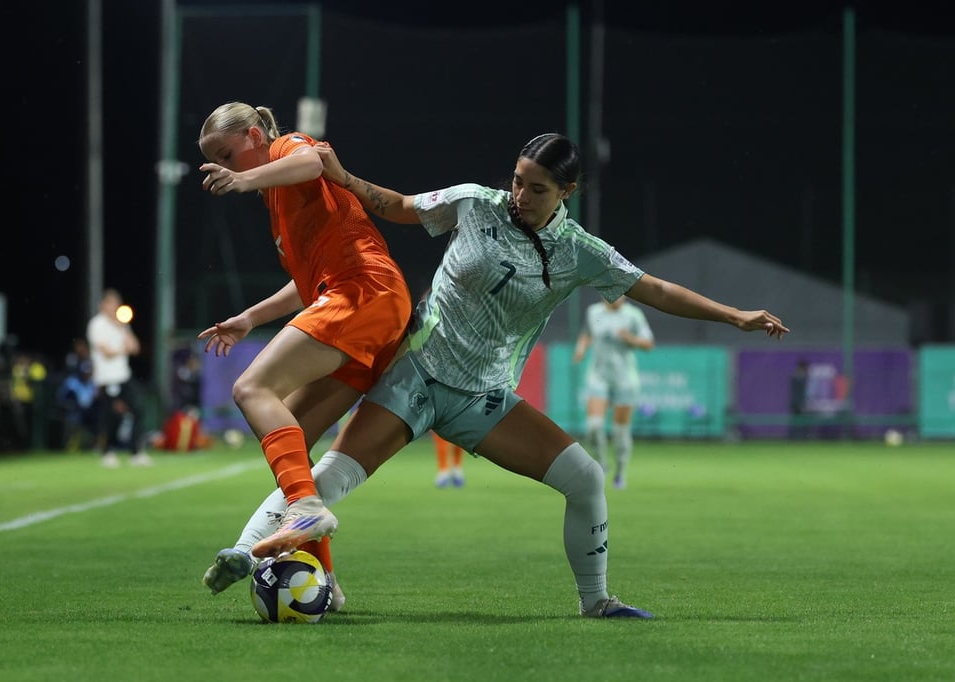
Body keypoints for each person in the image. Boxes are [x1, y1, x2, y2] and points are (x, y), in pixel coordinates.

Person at [240, 133, 788, 620]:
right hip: (416, 375)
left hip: (483, 399)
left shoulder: (580, 252)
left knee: (587, 479)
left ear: (567, 192)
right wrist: (344, 179)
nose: (521, 196)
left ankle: (596, 601)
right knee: (324, 483)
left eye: (538, 189)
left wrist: (734, 315)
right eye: (519, 181)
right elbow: (402, 207)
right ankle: (241, 553)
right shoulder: (477, 202)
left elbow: (656, 289)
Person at [194, 102, 412, 607]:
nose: (226, 169)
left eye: (228, 155)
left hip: (364, 292)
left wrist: (246, 180)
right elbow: (304, 282)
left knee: (251, 388)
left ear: (254, 135)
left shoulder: (285, 149)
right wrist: (249, 318)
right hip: (370, 307)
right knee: (290, 428)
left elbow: (315, 159)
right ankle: (327, 580)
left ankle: (306, 506)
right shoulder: (279, 196)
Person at [572, 296, 654, 489]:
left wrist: (630, 339)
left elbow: (648, 344)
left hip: (624, 379)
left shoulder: (633, 315)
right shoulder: (593, 312)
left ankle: (620, 472)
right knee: (593, 426)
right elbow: (587, 333)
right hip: (598, 376)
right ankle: (601, 462)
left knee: (620, 431)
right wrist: (581, 348)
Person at [87, 288, 152, 468]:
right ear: (103, 305)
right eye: (110, 303)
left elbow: (135, 347)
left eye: (116, 304)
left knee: (138, 409)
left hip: (123, 375)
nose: (113, 307)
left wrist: (123, 327)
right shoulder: (97, 324)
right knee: (111, 416)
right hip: (107, 378)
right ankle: (108, 452)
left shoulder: (121, 324)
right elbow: (106, 352)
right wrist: (123, 349)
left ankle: (136, 452)